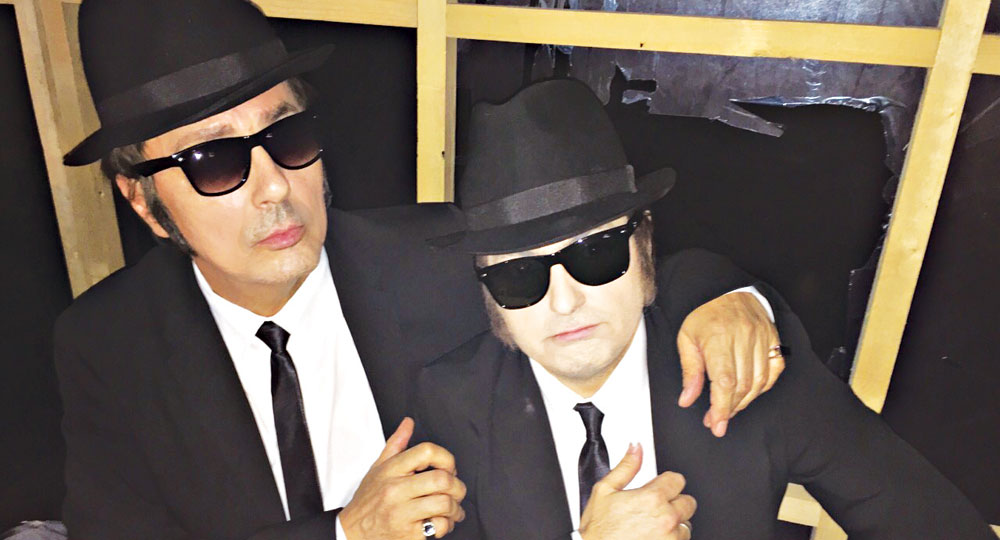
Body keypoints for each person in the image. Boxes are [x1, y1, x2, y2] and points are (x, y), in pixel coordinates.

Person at [54, 1, 785, 539]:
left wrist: (728, 298)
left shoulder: (436, 255)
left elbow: (610, 261)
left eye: (288, 134)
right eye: (215, 160)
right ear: (144, 202)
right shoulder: (107, 348)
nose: (275, 186)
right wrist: (348, 533)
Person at [416, 78, 997, 540]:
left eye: (596, 252)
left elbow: (926, 519)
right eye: (518, 273)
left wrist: (739, 296)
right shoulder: (451, 403)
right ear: (487, 293)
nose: (565, 301)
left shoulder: (741, 368)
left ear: (645, 248)